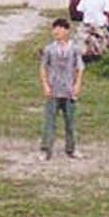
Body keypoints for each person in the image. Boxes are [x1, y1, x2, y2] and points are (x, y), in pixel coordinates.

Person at [39, 18, 85, 160]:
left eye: (60, 29)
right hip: (54, 89)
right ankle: (46, 149)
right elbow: (43, 67)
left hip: (69, 90)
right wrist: (45, 85)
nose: (56, 32)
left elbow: (79, 68)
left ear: (66, 31)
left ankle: (71, 148)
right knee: (49, 121)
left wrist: (77, 84)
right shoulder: (49, 49)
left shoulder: (74, 48)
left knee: (70, 121)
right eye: (55, 29)